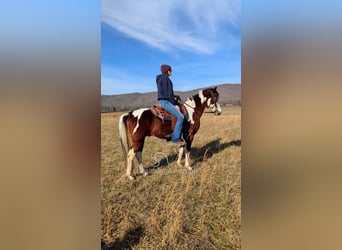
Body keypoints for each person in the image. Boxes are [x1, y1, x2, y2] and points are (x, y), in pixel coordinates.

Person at [156, 64, 185, 145]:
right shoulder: (166, 79)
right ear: (167, 71)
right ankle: (175, 138)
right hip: (166, 102)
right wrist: (174, 103)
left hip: (162, 100)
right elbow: (168, 95)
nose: (171, 72)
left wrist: (175, 96)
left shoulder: (160, 79)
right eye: (170, 70)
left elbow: (165, 93)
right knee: (181, 117)